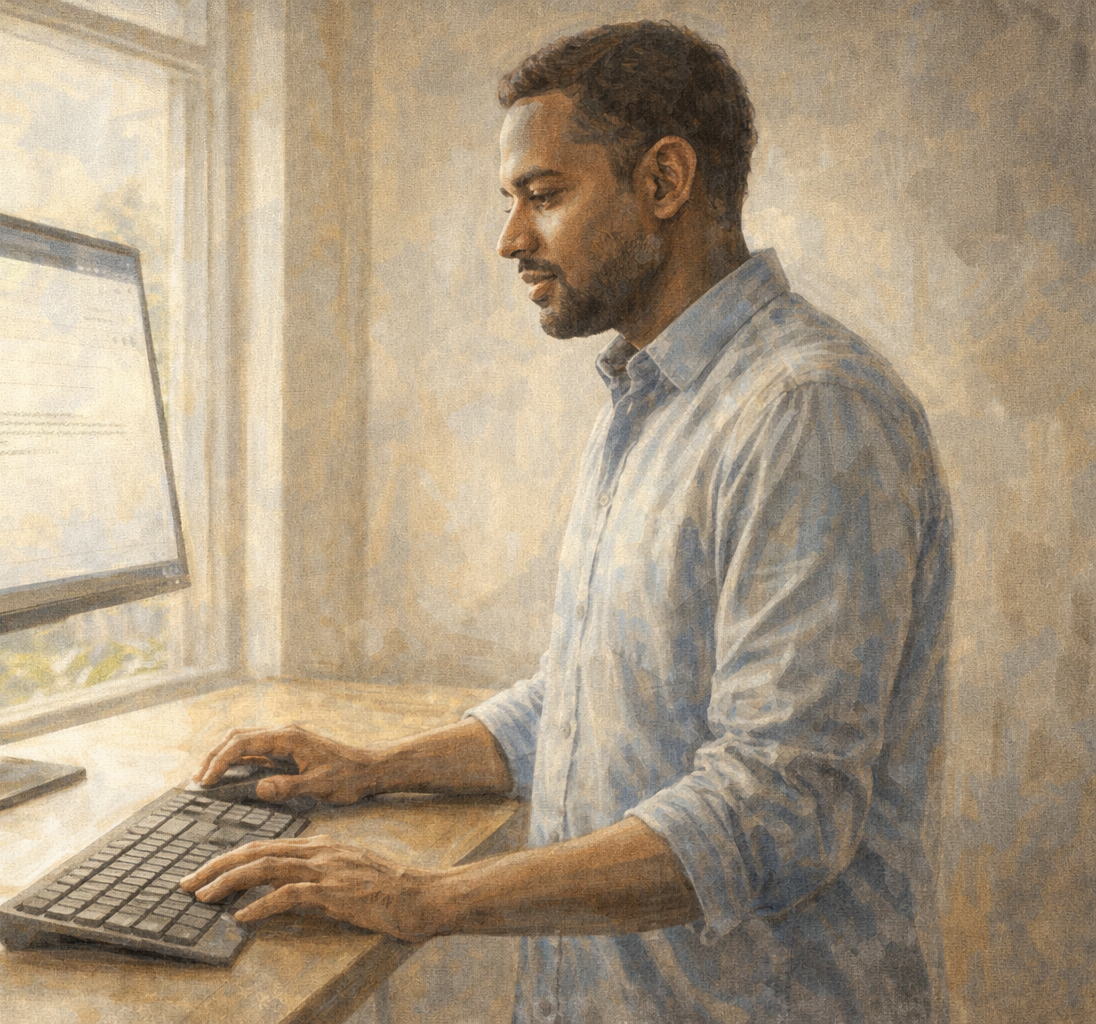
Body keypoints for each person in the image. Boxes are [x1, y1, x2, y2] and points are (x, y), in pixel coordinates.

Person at [181, 20, 953, 1024]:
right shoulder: (654, 400)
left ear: (665, 181)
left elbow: (778, 808)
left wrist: (429, 899)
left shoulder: (812, 411)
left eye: (543, 196)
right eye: (512, 202)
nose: (510, 239)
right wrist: (372, 771)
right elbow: (597, 696)